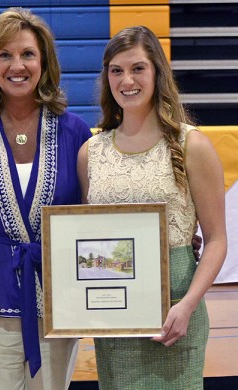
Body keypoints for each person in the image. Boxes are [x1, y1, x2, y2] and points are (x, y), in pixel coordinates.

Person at [0, 7, 92, 390]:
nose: (17, 65)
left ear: (44, 61)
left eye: (28, 53)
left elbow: (95, 215)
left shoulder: (75, 133)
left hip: (56, 302)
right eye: (5, 55)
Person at [78, 25, 227, 389]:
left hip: (175, 313)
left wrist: (188, 305)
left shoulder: (192, 145)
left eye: (137, 68)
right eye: (116, 70)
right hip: (114, 314)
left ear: (158, 72)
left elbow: (217, 240)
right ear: (107, 78)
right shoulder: (90, 153)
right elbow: (87, 239)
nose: (126, 80)